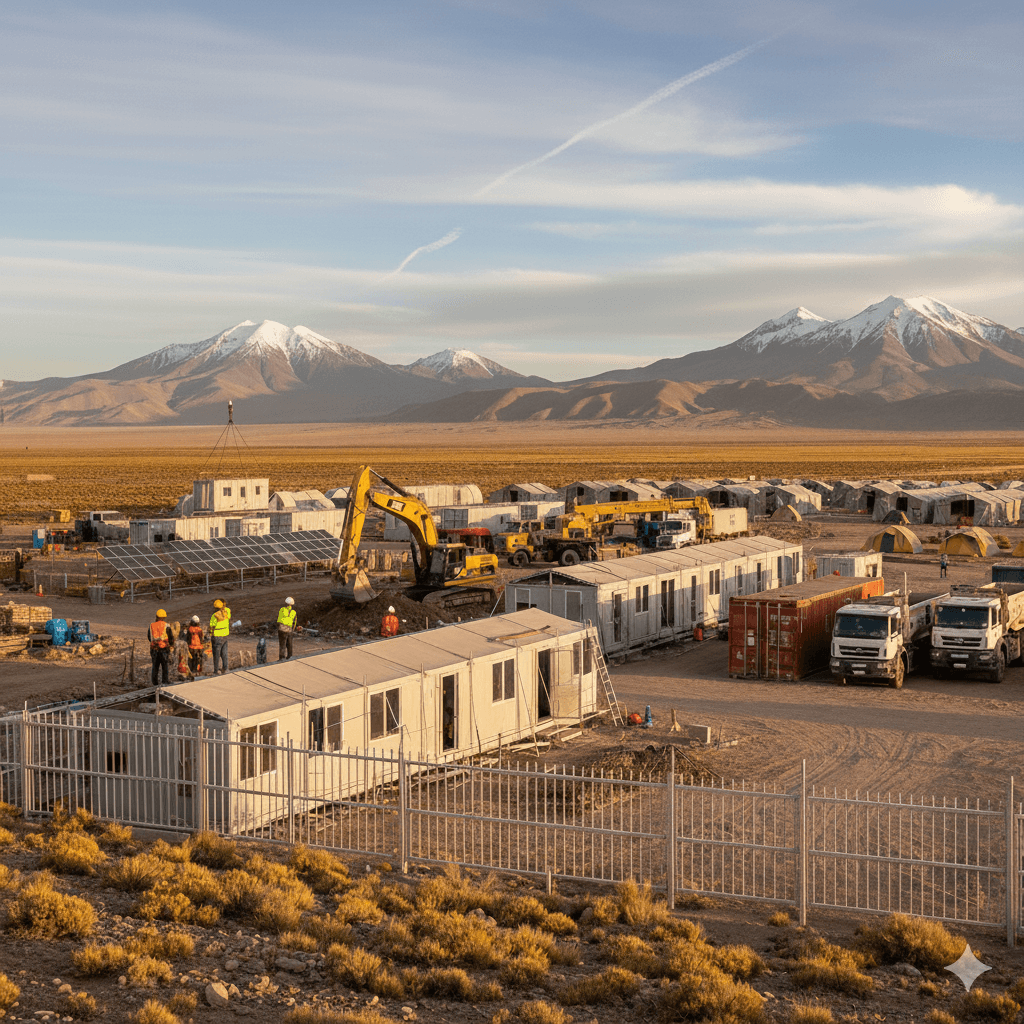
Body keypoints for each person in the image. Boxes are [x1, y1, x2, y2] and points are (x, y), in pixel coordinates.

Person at [148, 608, 172, 686]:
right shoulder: (167, 625)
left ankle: (154, 682)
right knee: (165, 666)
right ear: (164, 617)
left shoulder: (151, 625)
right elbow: (171, 637)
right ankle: (165, 681)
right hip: (164, 649)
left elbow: (149, 637)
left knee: (155, 666)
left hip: (154, 649)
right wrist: (170, 645)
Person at [209, 599, 231, 674]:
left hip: (217, 636)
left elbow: (212, 626)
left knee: (216, 654)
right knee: (224, 653)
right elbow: (227, 611)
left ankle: (216, 671)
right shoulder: (227, 612)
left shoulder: (214, 616)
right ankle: (225, 668)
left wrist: (210, 635)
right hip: (225, 635)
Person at [277, 596, 297, 661]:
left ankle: (282, 658)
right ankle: (290, 656)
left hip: (282, 629)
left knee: (282, 644)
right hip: (289, 630)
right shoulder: (294, 612)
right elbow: (295, 623)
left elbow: (279, 620)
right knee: (289, 645)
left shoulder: (282, 610)